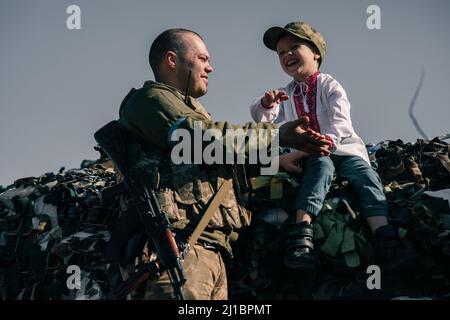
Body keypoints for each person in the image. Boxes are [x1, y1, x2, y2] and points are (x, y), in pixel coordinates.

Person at [116, 28, 331, 299]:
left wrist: (275, 161)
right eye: (203, 59)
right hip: (173, 251)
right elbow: (200, 140)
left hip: (207, 252)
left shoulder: (189, 108)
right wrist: (275, 136)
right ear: (172, 59)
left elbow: (214, 160)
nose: (210, 68)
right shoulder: (150, 101)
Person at [250, 21, 418, 270]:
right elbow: (264, 123)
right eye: (281, 52)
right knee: (320, 170)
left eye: (294, 47)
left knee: (366, 178)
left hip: (345, 148)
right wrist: (266, 103)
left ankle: (383, 237)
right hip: (313, 153)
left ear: (316, 53)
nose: (287, 55)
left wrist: (324, 141)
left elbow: (341, 120)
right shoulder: (285, 93)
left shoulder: (328, 84)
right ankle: (302, 234)